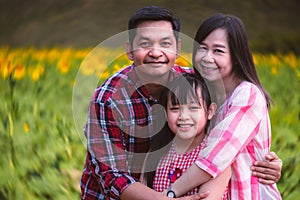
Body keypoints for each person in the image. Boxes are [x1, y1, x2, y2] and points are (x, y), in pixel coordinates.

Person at [80, 6, 282, 200]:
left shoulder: (193, 85)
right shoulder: (108, 100)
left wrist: (265, 161)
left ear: (177, 49)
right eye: (145, 44)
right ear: (129, 50)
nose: (156, 52)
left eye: (165, 44)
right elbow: (114, 178)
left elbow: (226, 144)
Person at [166, 13, 282, 199]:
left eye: (218, 51)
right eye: (202, 48)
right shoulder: (202, 88)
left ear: (236, 56)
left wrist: (169, 194)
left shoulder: (247, 95)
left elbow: (214, 159)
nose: (207, 58)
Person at [142, 73, 231, 200]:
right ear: (165, 114)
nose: (184, 116)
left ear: (210, 111)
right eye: (175, 108)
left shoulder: (216, 155)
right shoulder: (156, 154)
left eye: (193, 108)